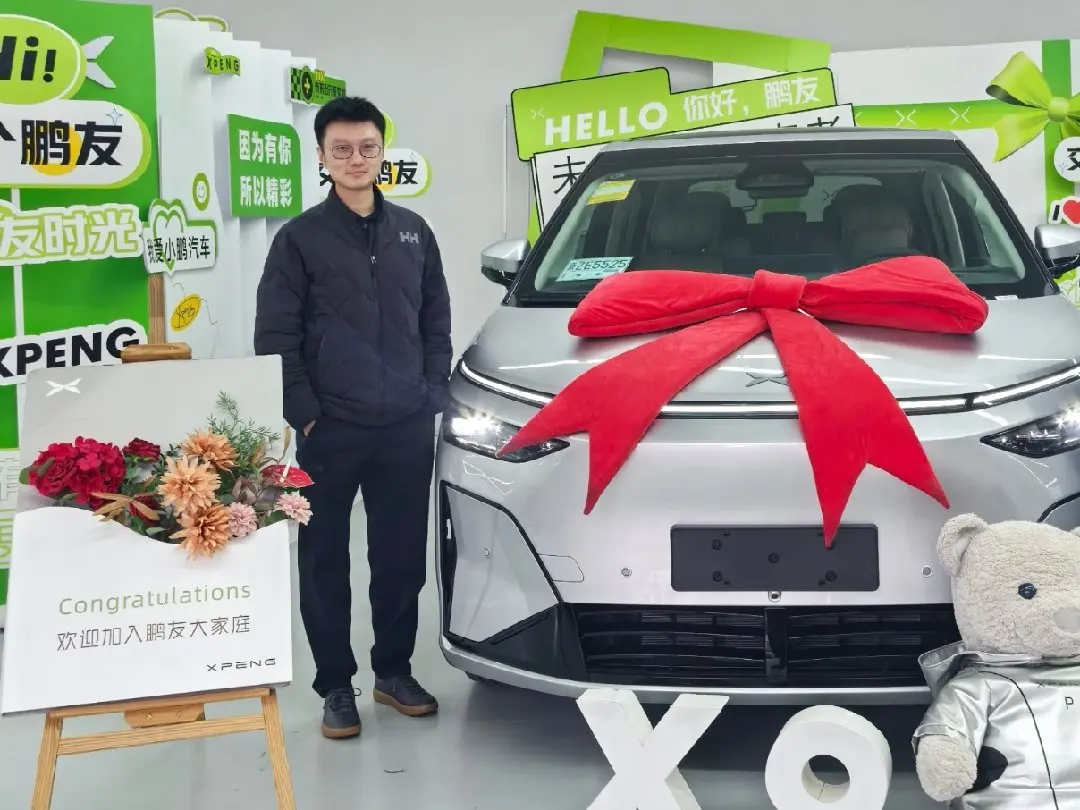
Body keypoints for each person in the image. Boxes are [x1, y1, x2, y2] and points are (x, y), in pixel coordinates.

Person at [253, 96, 451, 740]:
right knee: (323, 561)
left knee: (400, 558)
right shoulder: (299, 239)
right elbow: (275, 335)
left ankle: (393, 672)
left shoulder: (414, 232)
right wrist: (306, 415)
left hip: (405, 426)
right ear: (321, 156)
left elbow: (436, 321)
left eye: (367, 147)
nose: (356, 159)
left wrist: (431, 394)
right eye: (341, 149)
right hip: (331, 428)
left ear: (381, 151)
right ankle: (335, 685)